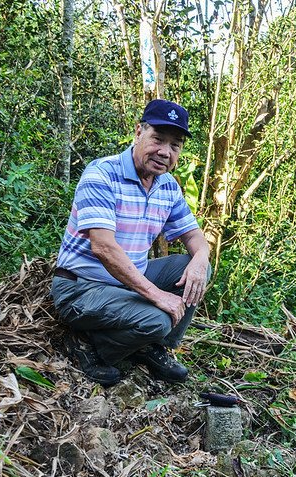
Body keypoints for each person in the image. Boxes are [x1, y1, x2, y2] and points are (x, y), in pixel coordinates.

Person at [51, 99, 211, 387]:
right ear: (138, 132)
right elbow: (103, 247)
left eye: (175, 146)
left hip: (127, 281)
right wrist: (156, 296)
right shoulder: (101, 174)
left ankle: (153, 345)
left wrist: (201, 259)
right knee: (157, 319)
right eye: (158, 140)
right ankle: (92, 347)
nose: (165, 152)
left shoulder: (168, 186)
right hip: (81, 287)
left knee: (195, 268)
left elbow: (194, 237)